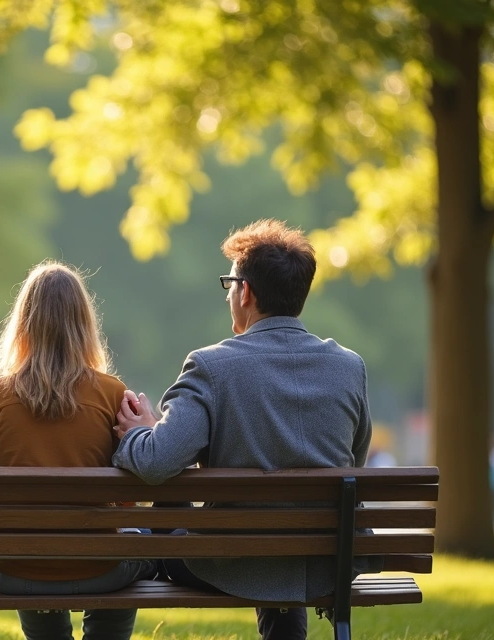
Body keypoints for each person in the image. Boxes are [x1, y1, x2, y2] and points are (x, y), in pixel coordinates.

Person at [113, 219, 372, 640]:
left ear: (246, 292)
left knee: (167, 513)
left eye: (230, 284)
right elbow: (353, 463)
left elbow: (156, 463)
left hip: (231, 561)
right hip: (328, 562)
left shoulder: (212, 366)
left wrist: (142, 432)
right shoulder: (349, 367)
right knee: (285, 547)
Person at [0, 262, 156, 640]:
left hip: (15, 571)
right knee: (140, 540)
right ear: (84, 324)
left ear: (23, 324)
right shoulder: (111, 393)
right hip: (100, 570)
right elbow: (126, 501)